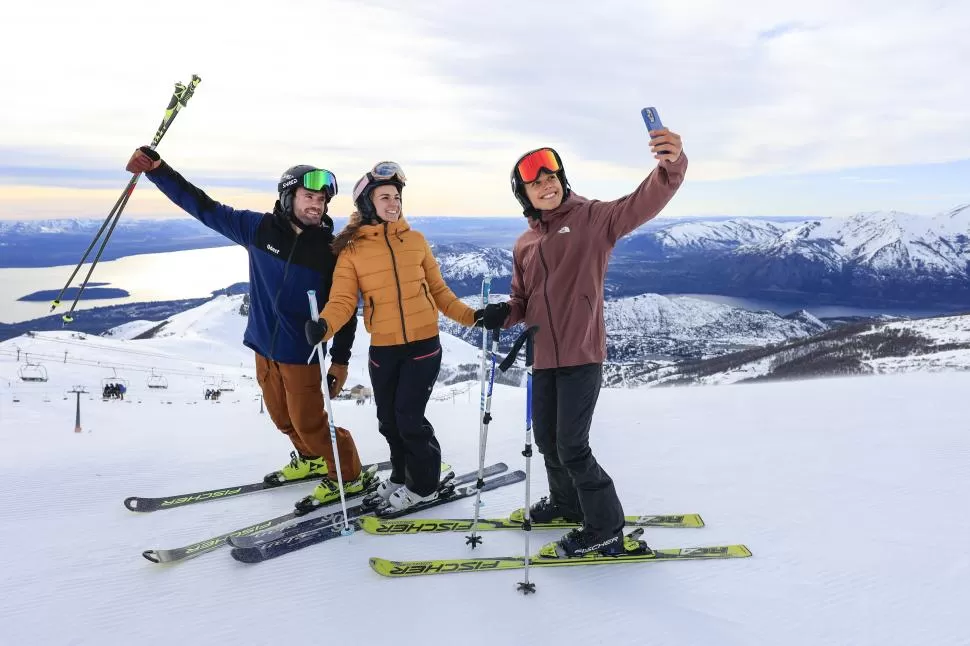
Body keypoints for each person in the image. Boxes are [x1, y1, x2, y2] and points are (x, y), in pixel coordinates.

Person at [125, 147, 368, 510]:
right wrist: (158, 170)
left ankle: (349, 476)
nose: (316, 206)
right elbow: (203, 207)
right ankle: (313, 461)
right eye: (309, 197)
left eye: (321, 200)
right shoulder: (258, 230)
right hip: (262, 347)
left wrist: (340, 361)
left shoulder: (331, 252)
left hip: (300, 352)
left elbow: (346, 309)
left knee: (312, 425)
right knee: (282, 419)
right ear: (288, 197)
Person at [494, 123, 687, 558]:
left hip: (582, 353)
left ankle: (604, 527)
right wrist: (501, 314)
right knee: (547, 440)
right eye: (536, 182)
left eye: (552, 177)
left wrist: (671, 165)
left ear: (563, 181)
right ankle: (565, 504)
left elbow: (642, 202)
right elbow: (521, 301)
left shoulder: (593, 218)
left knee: (572, 446)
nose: (547, 185)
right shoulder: (525, 242)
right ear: (523, 194)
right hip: (543, 357)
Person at [304, 161, 506, 512]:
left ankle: (425, 484)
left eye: (396, 197)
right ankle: (401, 475)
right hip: (384, 347)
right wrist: (324, 326)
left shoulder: (415, 241)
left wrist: (473, 317)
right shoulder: (352, 251)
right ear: (367, 203)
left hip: (424, 346)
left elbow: (441, 292)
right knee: (388, 419)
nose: (393, 203)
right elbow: (341, 301)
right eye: (385, 197)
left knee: (409, 418)